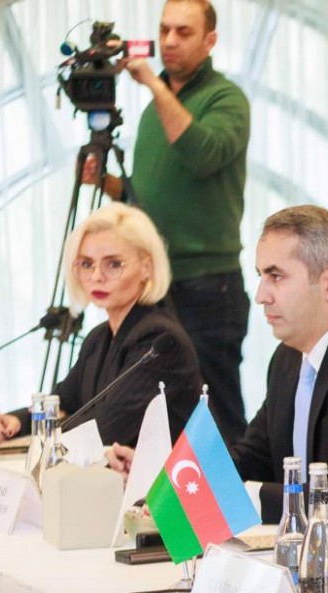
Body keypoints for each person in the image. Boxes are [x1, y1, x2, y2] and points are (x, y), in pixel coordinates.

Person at [112, 205, 328, 542]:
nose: (261, 296)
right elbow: (251, 457)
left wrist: (248, 497)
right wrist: (174, 482)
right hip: (318, 557)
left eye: (275, 276)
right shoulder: (288, 359)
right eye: (260, 276)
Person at [85, 0, 250, 444]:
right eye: (164, 30)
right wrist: (109, 185)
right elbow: (146, 199)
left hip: (207, 283)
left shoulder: (225, 99)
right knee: (166, 411)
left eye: (183, 32)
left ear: (210, 40)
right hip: (156, 281)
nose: (170, 41)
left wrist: (154, 85)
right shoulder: (153, 111)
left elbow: (202, 155)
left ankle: (233, 488)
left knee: (216, 410)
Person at [0, 204, 201, 448]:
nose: (97, 276)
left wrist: (42, 430)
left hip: (167, 474)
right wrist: (16, 422)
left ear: (146, 268)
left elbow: (104, 430)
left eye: (113, 264)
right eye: (87, 264)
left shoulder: (159, 340)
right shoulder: (98, 338)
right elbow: (64, 403)